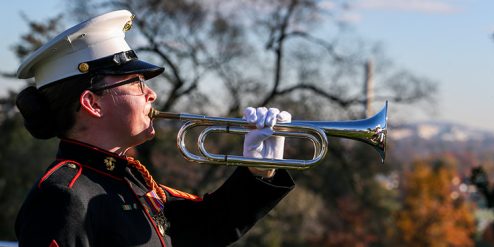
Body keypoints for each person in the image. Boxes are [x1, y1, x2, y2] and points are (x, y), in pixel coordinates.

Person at [14, 10, 294, 247]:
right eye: (135, 82)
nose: (151, 94)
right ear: (92, 103)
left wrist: (259, 170)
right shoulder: (60, 197)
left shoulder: (132, 181)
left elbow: (209, 227)